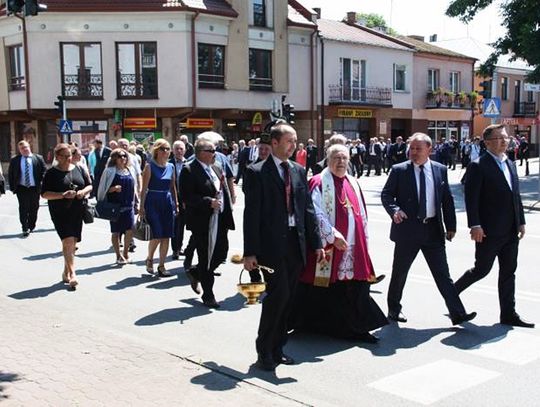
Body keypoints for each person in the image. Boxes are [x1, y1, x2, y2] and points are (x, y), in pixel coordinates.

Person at [243, 123, 324, 371]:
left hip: (295, 243)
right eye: (289, 141)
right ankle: (264, 350)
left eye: (295, 141)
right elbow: (252, 214)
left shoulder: (299, 171)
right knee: (278, 297)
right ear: (274, 143)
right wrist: (250, 252)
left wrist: (317, 243)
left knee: (288, 299)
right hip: (270, 247)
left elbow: (307, 210)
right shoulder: (256, 172)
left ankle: (278, 349)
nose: (293, 146)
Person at [291, 145, 388, 343]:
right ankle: (310, 325)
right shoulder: (318, 181)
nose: (341, 162)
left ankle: (359, 328)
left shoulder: (352, 181)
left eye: (344, 158)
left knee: (356, 286)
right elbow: (315, 212)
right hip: (330, 245)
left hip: (354, 244)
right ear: (328, 159)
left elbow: (362, 214)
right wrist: (332, 235)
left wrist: (363, 239)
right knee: (323, 287)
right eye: (336, 157)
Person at [381, 133, 476, 325]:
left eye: (418, 149)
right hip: (408, 231)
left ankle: (457, 313)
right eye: (412, 148)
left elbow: (447, 200)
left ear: (429, 150)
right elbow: (387, 195)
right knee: (400, 272)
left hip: (432, 230)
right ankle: (394, 309)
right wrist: (395, 210)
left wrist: (451, 226)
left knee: (443, 274)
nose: (414, 152)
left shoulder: (440, 170)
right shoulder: (399, 170)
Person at [454, 124, 534, 328]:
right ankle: (451, 294)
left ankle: (508, 314)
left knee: (509, 272)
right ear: (487, 142)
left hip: (510, 230)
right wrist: (475, 225)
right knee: (481, 270)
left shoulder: (510, 163)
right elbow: (472, 199)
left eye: (505, 137)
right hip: (488, 231)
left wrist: (521, 221)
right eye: (498, 138)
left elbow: (515, 196)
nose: (503, 141)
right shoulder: (479, 165)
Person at [179, 137, 235, 308]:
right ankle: (208, 295)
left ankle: (196, 272)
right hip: (202, 222)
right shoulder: (189, 170)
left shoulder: (216, 168)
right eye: (211, 151)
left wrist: (229, 201)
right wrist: (207, 202)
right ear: (201, 153)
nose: (215, 154)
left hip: (220, 220)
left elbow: (223, 189)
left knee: (221, 253)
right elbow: (187, 197)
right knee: (206, 258)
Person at [41, 144, 92, 289]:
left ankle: (65, 271)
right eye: (65, 156)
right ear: (57, 157)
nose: (68, 158)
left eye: (70, 155)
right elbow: (44, 194)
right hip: (60, 211)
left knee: (73, 243)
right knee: (68, 240)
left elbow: (89, 185)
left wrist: (83, 192)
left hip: (77, 210)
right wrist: (62, 195)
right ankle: (73, 274)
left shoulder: (78, 168)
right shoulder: (51, 173)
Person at [139, 139, 178, 278]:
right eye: (163, 149)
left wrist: (176, 203)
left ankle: (161, 265)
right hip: (152, 201)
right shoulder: (149, 167)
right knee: (157, 234)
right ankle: (150, 258)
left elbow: (173, 187)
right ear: (156, 151)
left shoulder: (171, 167)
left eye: (168, 149)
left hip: (167, 202)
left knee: (167, 235)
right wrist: (141, 207)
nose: (166, 152)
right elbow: (143, 189)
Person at [97, 148, 138, 265]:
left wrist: (137, 202)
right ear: (114, 158)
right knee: (116, 232)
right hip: (115, 207)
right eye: (120, 156)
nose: (123, 158)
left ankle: (125, 253)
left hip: (129, 206)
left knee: (130, 230)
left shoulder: (130, 170)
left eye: (125, 156)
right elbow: (102, 189)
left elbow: (134, 187)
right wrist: (113, 189)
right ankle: (118, 255)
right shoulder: (109, 171)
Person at [8, 140, 47, 237]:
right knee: (23, 208)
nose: (24, 149)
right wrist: (13, 187)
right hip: (21, 188)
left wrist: (42, 183)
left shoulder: (38, 158)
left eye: (26, 147)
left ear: (29, 147)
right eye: (22, 148)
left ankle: (31, 225)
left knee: (34, 207)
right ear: (19, 150)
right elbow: (11, 174)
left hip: (34, 187)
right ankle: (25, 227)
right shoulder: (15, 160)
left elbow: (44, 171)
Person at [169, 140, 187, 260]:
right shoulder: (169, 164)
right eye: (177, 149)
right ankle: (175, 249)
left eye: (181, 149)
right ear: (173, 151)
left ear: (184, 150)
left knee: (185, 225)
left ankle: (181, 247)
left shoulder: (189, 163)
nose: (179, 151)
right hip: (174, 198)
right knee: (176, 225)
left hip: (187, 198)